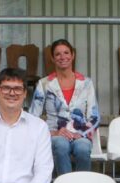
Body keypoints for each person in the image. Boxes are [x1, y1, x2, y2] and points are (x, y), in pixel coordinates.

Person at [29, 39, 101, 175]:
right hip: (55, 133)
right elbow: (33, 117)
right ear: (52, 58)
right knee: (61, 145)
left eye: (66, 53)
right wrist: (52, 133)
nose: (63, 57)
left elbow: (95, 116)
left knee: (83, 148)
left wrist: (82, 133)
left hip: (80, 134)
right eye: (58, 54)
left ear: (72, 55)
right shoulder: (44, 84)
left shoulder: (86, 83)